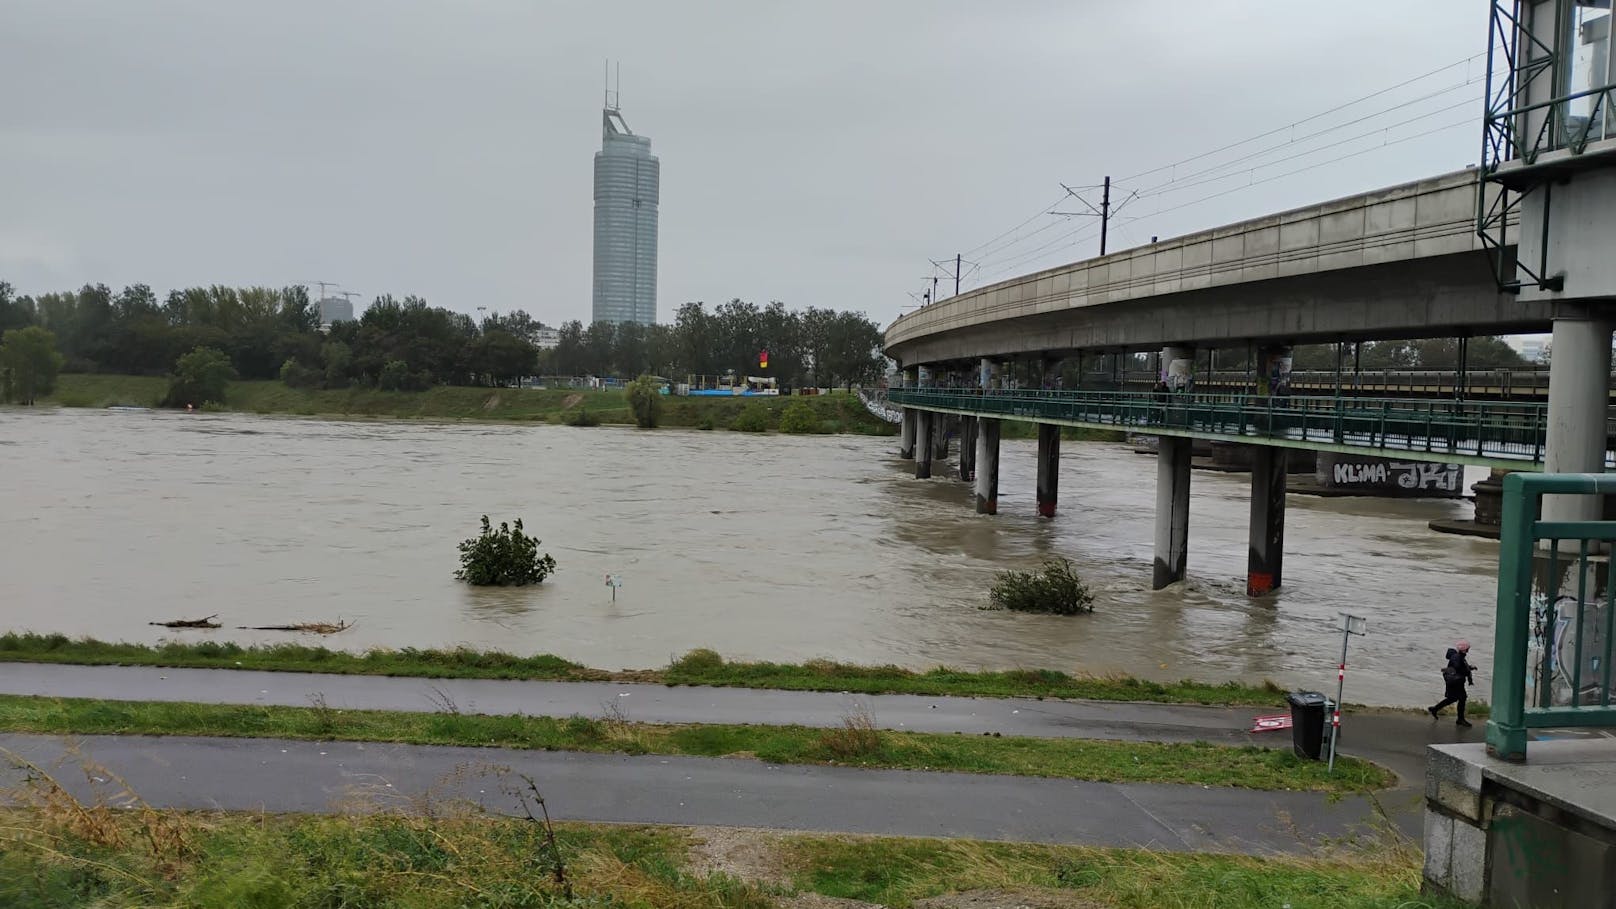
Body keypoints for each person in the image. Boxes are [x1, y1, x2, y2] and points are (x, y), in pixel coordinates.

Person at [1429, 640, 1476, 727]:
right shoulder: (1457, 657)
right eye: (1467, 649)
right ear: (1464, 649)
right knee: (1461, 698)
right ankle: (1460, 719)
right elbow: (1458, 669)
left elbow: (1460, 667)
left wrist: (1470, 668)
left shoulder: (1459, 657)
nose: (1468, 650)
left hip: (1456, 682)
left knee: (1453, 699)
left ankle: (1435, 709)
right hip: (1455, 683)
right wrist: (1468, 670)